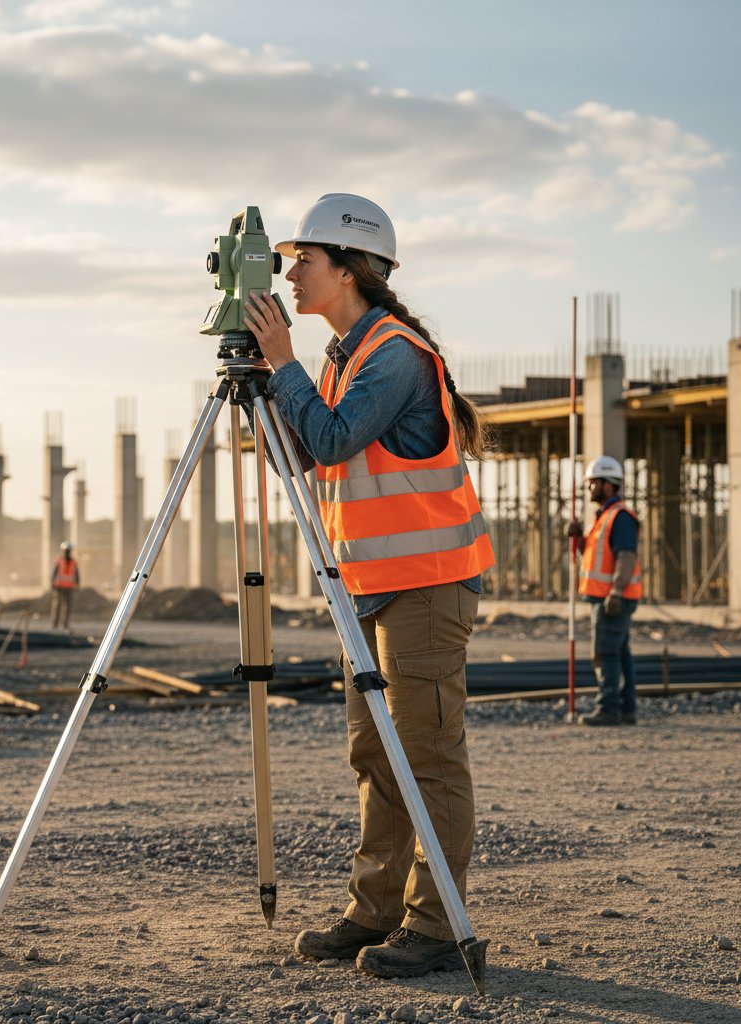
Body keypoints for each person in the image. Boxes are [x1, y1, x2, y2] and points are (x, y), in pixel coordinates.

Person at [241, 194, 495, 980]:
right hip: (371, 589)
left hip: (426, 587)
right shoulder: (344, 354)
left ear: (347, 269)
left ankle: (437, 926)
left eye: (303, 260)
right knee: (376, 756)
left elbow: (332, 435)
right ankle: (376, 911)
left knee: (427, 756)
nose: (287, 273)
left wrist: (282, 366)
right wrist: (267, 384)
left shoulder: (393, 354)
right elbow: (311, 454)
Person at [571, 456, 642, 726]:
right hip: (606, 596)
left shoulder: (620, 517)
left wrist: (616, 591)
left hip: (612, 598)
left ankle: (609, 708)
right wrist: (578, 539)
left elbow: (626, 557)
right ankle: (626, 708)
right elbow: (595, 555)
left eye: (593, 484)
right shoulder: (603, 518)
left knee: (605, 653)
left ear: (608, 485)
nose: (589, 489)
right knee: (620, 653)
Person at [50, 541, 79, 630]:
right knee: (57, 605)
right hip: (59, 587)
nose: (67, 553)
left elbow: (77, 574)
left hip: (69, 587)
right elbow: (54, 573)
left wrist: (77, 584)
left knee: (67, 606)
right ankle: (55, 623)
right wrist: (53, 584)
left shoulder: (73, 562)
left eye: (68, 551)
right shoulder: (59, 561)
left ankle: (65, 624)